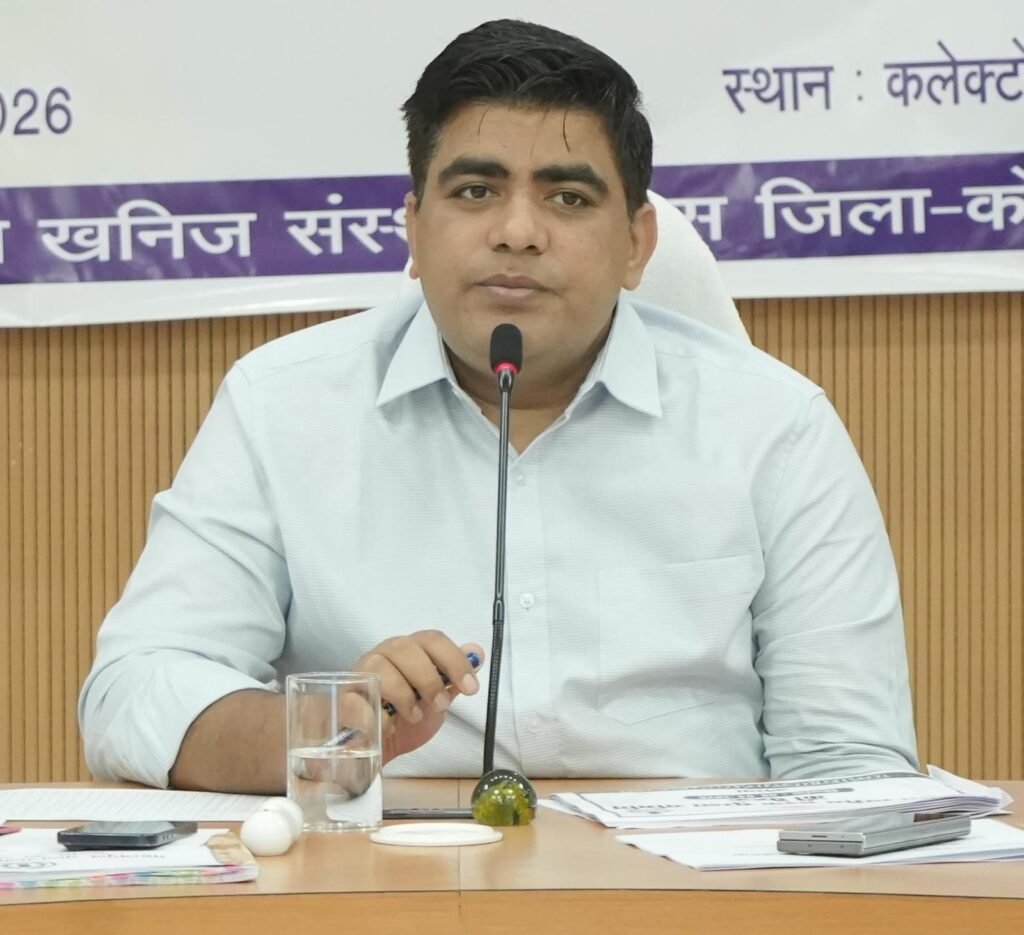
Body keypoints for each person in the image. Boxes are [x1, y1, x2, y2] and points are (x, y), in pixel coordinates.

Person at [79, 19, 919, 794]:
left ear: (636, 245)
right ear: (414, 228)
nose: (517, 231)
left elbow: (850, 762)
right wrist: (328, 728)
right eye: (476, 191)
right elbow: (132, 693)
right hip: (386, 877)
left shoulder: (774, 426)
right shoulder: (282, 405)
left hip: (688, 881)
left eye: (568, 197)